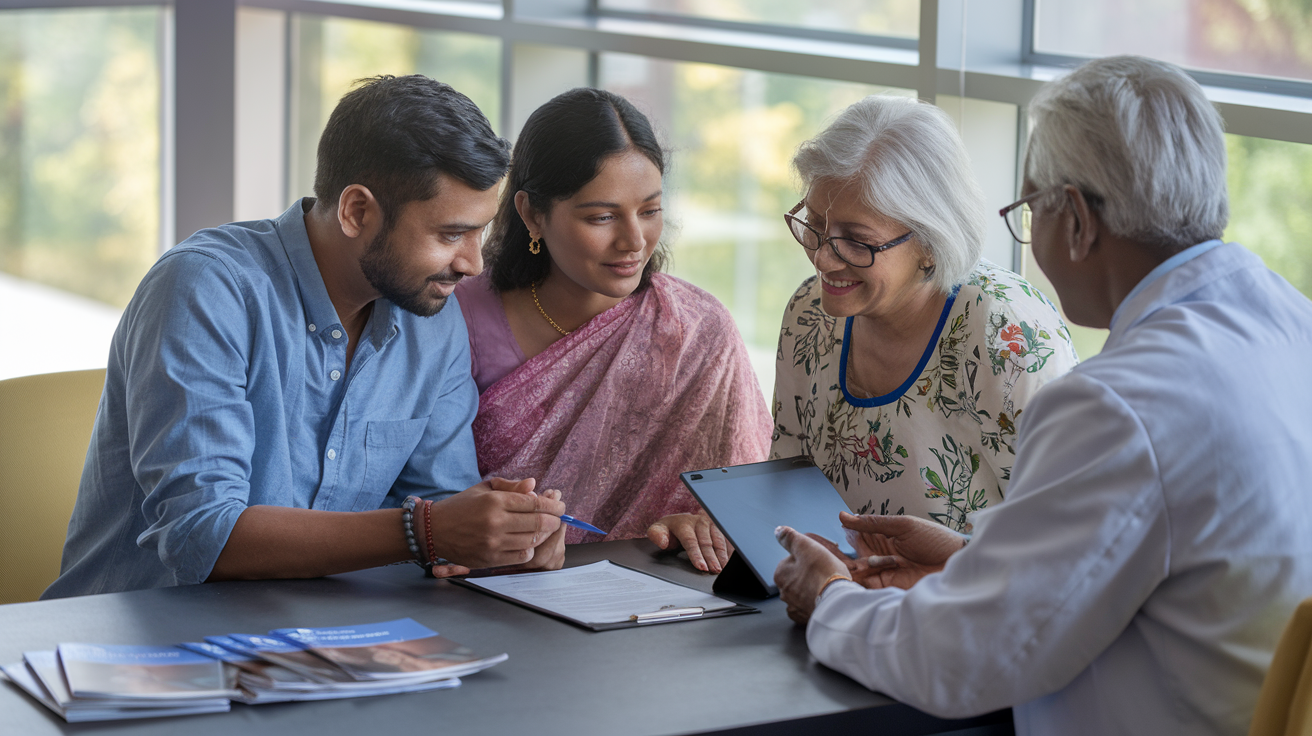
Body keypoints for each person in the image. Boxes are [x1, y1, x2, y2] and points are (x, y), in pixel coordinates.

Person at [773, 55, 1312, 736]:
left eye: (1029, 208)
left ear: (1078, 221)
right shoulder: (1295, 328)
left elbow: (962, 661)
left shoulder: (1116, 408)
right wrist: (975, 561)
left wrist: (827, 599)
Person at [43, 75, 568, 599]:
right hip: (136, 651)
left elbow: (443, 514)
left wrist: (505, 542)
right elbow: (199, 534)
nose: (473, 264)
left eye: (480, 232)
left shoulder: (432, 317)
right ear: (356, 211)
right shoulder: (205, 288)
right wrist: (425, 531)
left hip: (322, 645)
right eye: (450, 234)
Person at [454, 88, 772, 573]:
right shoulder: (456, 314)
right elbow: (423, 494)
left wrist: (696, 525)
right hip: (477, 583)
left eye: (649, 210)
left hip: (653, 595)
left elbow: (743, 512)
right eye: (602, 216)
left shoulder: (697, 330)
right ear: (532, 214)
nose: (633, 240)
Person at [771, 95, 1076, 529]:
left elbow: (1063, 532)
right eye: (816, 226)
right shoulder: (810, 312)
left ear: (931, 245)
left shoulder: (1006, 332)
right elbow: (784, 483)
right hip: (835, 591)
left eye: (857, 240)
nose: (822, 259)